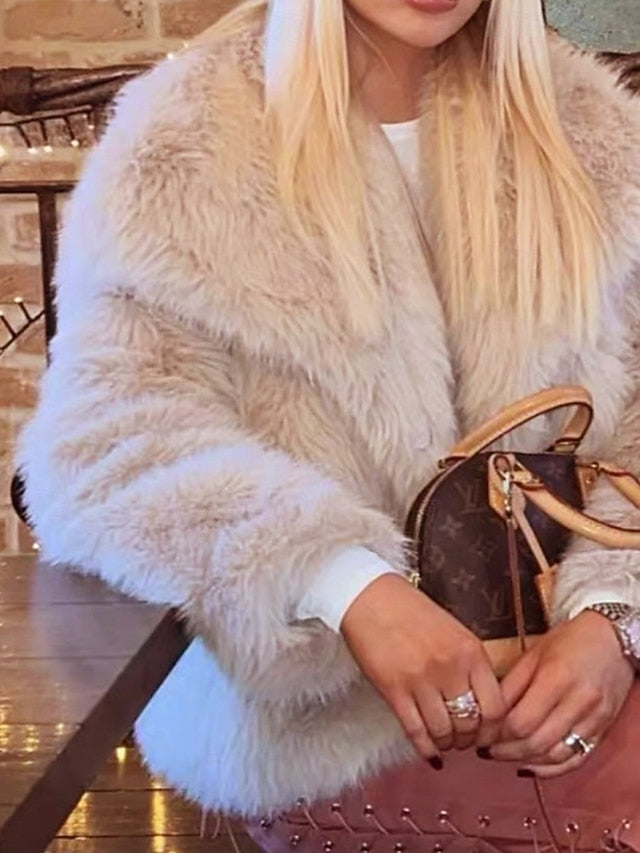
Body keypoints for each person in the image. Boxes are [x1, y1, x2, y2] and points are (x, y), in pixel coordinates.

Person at [17, 0, 640, 848]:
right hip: (326, 722)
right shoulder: (188, 139)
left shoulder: (588, 131)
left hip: (571, 683)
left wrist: (611, 615)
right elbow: (105, 447)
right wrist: (344, 584)